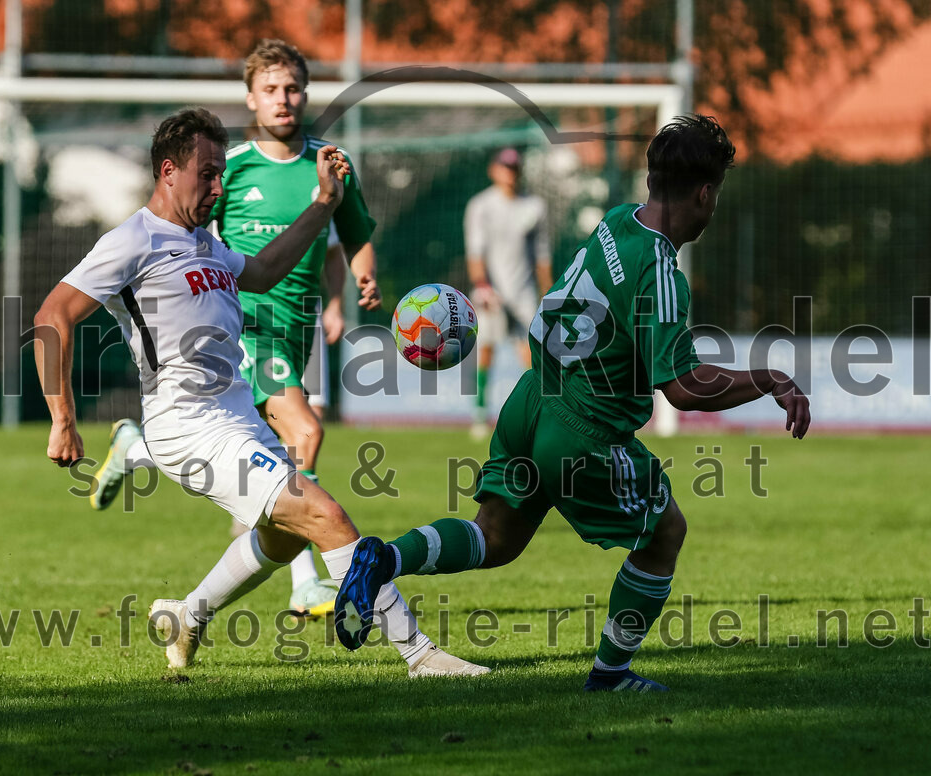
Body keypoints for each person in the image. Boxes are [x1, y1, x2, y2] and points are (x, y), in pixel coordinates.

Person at [333, 114, 811, 692]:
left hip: (531, 399)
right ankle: (611, 674)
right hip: (582, 431)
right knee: (665, 533)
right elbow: (682, 387)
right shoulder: (659, 271)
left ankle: (383, 559)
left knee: (496, 537)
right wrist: (769, 378)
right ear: (706, 194)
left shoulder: (616, 223)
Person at [34, 107, 487, 678]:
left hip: (237, 418)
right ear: (168, 171)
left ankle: (188, 615)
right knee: (328, 518)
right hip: (188, 425)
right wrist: (62, 418)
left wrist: (324, 204)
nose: (218, 187)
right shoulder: (133, 240)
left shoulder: (203, 243)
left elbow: (267, 269)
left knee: (282, 539)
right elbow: (53, 315)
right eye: (207, 174)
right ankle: (420, 656)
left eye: (223, 173)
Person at [89, 40, 381, 620]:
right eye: (271, 89)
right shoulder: (233, 166)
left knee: (266, 454)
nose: (284, 99)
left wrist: (357, 284)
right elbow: (196, 242)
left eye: (293, 88)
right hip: (246, 327)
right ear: (251, 98)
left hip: (294, 328)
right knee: (305, 433)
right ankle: (307, 582)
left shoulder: (329, 163)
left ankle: (139, 450)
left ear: (306, 93)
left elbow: (351, 234)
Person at [464, 147, 553, 438]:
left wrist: (548, 293)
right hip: (491, 290)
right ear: (494, 169)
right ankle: (480, 413)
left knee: (531, 354)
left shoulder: (534, 207)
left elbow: (542, 256)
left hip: (523, 291)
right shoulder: (481, 206)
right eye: (504, 167)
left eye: (514, 168)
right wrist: (482, 286)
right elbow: (475, 252)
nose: (509, 173)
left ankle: (540, 414)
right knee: (486, 349)